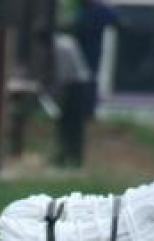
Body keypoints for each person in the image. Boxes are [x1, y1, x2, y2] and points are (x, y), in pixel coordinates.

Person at [52, 28, 94, 168]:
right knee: (73, 125)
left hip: (75, 87)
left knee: (70, 124)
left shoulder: (59, 47)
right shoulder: (67, 41)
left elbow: (63, 74)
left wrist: (58, 92)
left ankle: (69, 156)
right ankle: (71, 156)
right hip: (81, 84)